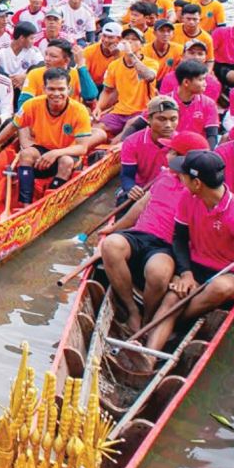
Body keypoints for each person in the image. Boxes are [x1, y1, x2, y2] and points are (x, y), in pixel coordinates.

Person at [142, 149, 234, 356]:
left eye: (184, 175)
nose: (180, 178)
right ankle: (147, 358)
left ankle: (172, 324)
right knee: (173, 297)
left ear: (197, 183)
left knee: (219, 288)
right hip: (197, 264)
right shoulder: (188, 197)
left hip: (231, 270)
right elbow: (179, 239)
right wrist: (186, 273)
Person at [96, 131, 211, 334]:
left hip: (167, 246)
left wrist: (185, 272)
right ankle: (132, 310)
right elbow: (141, 205)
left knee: (158, 273)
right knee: (110, 245)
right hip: (141, 234)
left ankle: (148, 319)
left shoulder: (200, 191)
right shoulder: (165, 175)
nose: (167, 154)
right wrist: (114, 228)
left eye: (172, 151)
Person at [0, 68, 94, 204]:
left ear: (69, 89)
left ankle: (51, 202)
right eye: (51, 89)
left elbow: (82, 148)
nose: (56, 94)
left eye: (61, 89)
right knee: (26, 154)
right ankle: (25, 204)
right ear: (44, 89)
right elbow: (12, 127)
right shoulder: (31, 104)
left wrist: (55, 153)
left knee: (65, 161)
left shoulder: (79, 110)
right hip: (42, 150)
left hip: (67, 153)